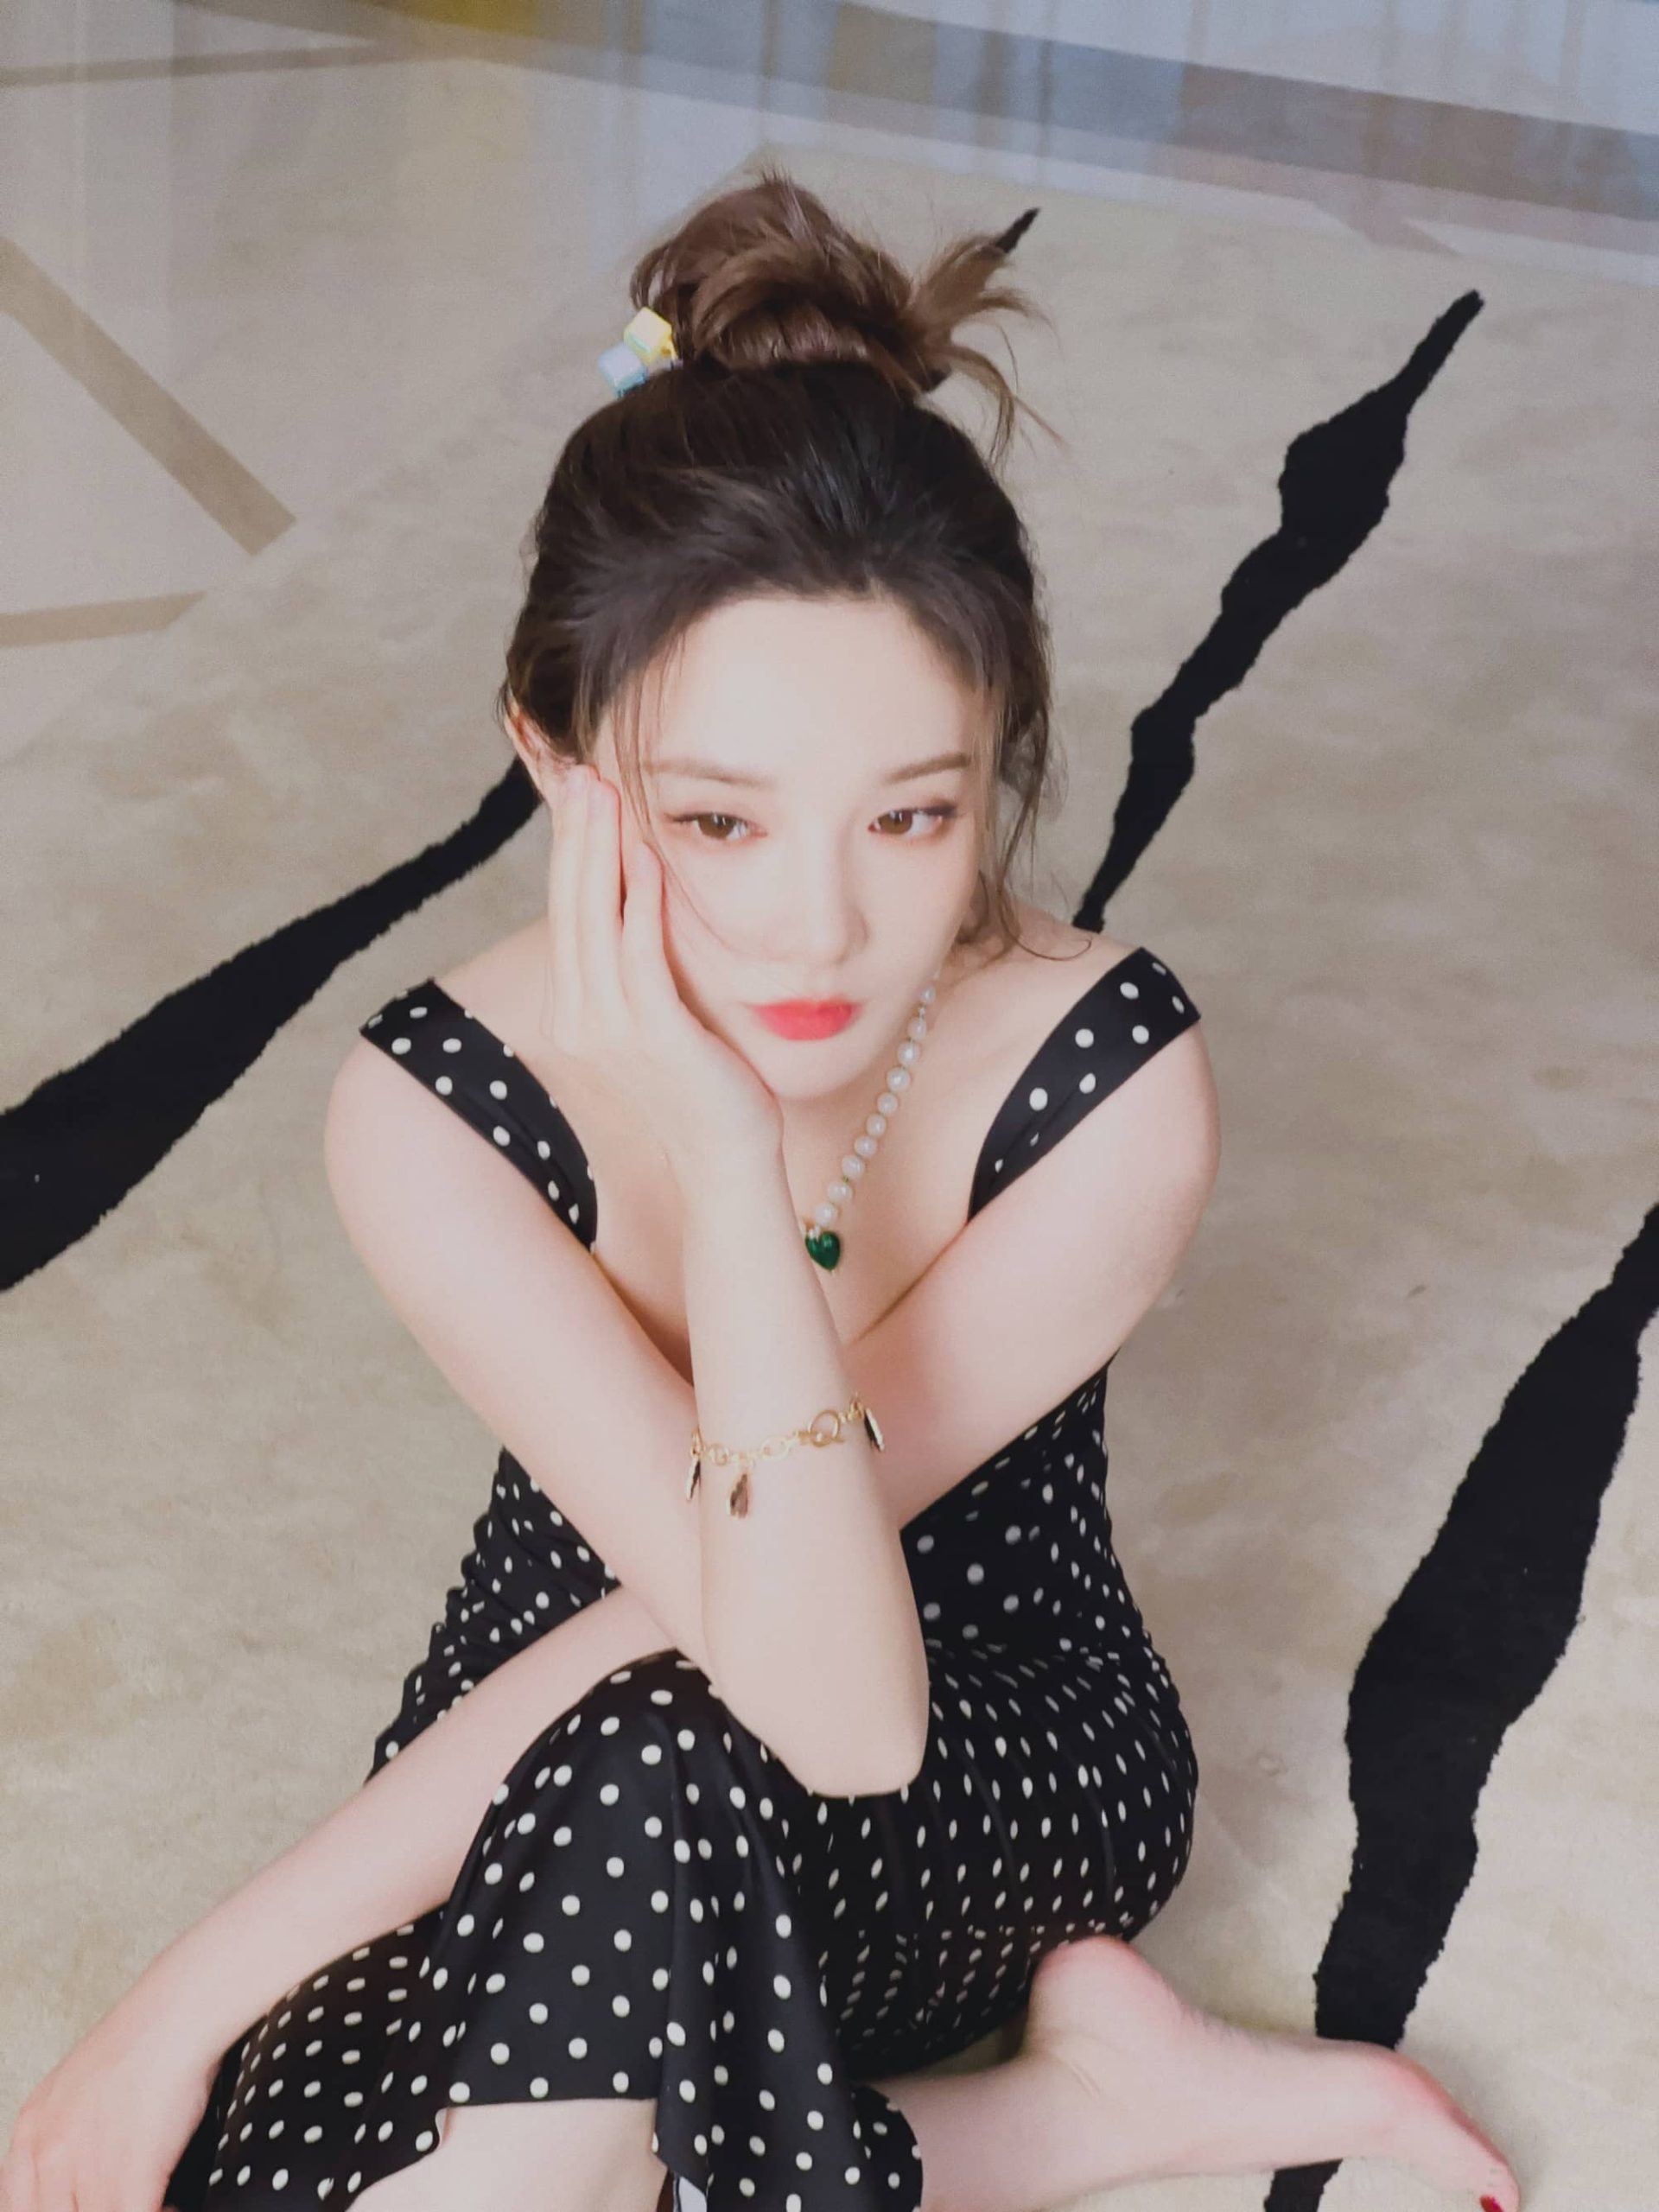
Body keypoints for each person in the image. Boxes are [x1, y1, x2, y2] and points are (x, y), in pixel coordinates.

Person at [3, 163, 1518, 2212]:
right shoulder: (434, 1107)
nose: (823, 928)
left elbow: (832, 1706)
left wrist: (723, 1157)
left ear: (999, 761)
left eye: (914, 816)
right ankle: (1078, 2116)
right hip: (554, 1708)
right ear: (556, 760)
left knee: (664, 1769)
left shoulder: (1104, 1079)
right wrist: (166, 2023)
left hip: (976, 1751)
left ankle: (1034, 2096)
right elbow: (641, 1621)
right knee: (264, 2163)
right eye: (719, 821)